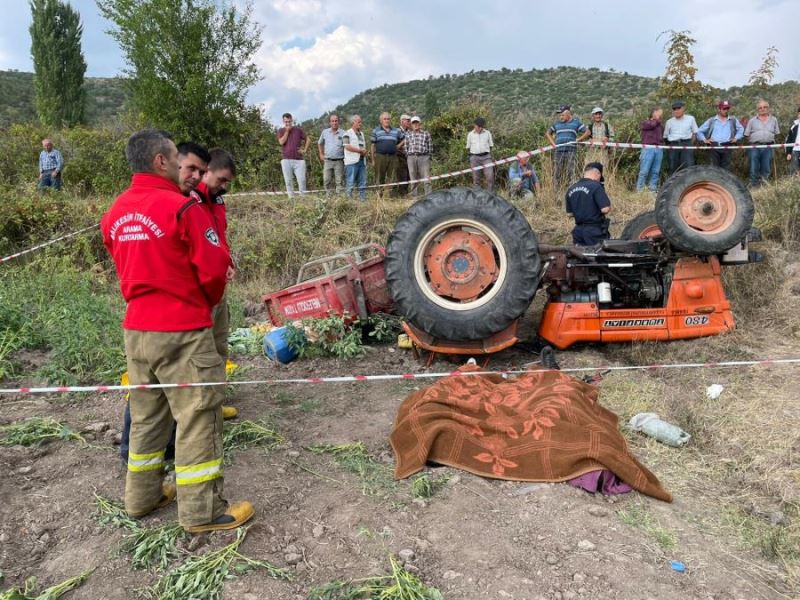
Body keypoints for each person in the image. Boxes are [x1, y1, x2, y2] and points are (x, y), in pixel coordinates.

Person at [101, 129, 253, 533]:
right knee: (198, 416)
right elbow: (213, 269)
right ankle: (202, 512)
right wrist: (201, 303)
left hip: (137, 330)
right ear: (159, 161)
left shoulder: (115, 212)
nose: (183, 165)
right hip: (182, 327)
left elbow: (118, 257)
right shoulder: (182, 209)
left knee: (149, 416)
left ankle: (142, 498)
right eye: (174, 156)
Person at [120, 144, 239, 469]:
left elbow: (215, 242)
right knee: (171, 397)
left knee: (214, 353)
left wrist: (224, 265)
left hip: (199, 298)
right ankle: (147, 452)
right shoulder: (183, 202)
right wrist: (204, 292)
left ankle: (144, 485)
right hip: (184, 305)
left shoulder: (213, 201)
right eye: (218, 178)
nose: (219, 184)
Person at [565, 162, 612, 246]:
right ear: (598, 174)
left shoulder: (571, 188)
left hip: (578, 232)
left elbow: (569, 214)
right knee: (600, 257)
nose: (599, 180)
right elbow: (605, 209)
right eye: (600, 177)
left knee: (581, 257)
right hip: (594, 231)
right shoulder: (596, 186)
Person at [546, 105, 589, 190]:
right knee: (557, 172)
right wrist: (553, 143)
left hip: (571, 151)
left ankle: (572, 190)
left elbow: (587, 132)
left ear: (568, 114)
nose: (560, 117)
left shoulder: (576, 123)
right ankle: (556, 191)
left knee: (571, 171)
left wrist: (579, 139)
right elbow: (547, 133)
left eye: (562, 115)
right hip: (558, 151)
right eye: (560, 115)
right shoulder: (556, 124)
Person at [696, 100, 744, 170]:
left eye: (727, 108)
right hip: (713, 146)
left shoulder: (733, 120)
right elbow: (699, 131)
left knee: (726, 169)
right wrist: (704, 140)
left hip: (727, 146)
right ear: (719, 109)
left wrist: (736, 138)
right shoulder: (711, 120)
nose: (726, 110)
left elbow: (741, 129)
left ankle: (725, 181)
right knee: (713, 169)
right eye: (724, 109)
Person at [744, 100, 780, 187]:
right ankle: (754, 185)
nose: (762, 109)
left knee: (766, 167)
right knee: (753, 166)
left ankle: (764, 185)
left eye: (764, 107)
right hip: (754, 146)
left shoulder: (774, 120)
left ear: (768, 108)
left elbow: (777, 133)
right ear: (757, 109)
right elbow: (746, 134)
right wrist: (755, 140)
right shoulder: (752, 121)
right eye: (760, 108)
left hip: (768, 146)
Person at [370, 112, 405, 194]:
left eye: (388, 119)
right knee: (379, 177)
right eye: (385, 119)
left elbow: (405, 138)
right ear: (381, 120)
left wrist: (398, 145)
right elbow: (372, 146)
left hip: (393, 157)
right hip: (380, 156)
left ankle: (389, 195)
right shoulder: (376, 131)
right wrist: (373, 160)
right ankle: (379, 196)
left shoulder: (396, 131)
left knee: (391, 177)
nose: (387, 120)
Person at [277, 112, 309, 197]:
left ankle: (303, 199)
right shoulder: (281, 130)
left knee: (302, 180)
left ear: (292, 120)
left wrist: (304, 150)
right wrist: (287, 131)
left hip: (299, 160)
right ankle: (291, 200)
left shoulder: (298, 130)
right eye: (286, 122)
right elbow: (281, 142)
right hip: (286, 159)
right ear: (283, 121)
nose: (288, 123)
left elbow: (308, 139)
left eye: (289, 121)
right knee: (288, 181)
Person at [663, 101, 698, 175]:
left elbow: (695, 132)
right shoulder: (669, 122)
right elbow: (665, 136)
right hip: (673, 145)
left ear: (683, 109)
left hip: (687, 143)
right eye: (674, 109)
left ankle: (688, 185)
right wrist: (670, 146)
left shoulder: (690, 119)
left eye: (678, 108)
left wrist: (690, 144)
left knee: (688, 166)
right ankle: (672, 185)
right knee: (672, 166)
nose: (676, 111)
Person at [404, 115, 433, 198]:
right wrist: (409, 157)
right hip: (411, 157)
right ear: (411, 125)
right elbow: (406, 147)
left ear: (420, 124)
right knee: (413, 178)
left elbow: (430, 146)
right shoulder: (408, 134)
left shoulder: (426, 134)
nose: (415, 125)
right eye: (414, 123)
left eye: (417, 123)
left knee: (426, 178)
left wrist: (428, 157)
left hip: (424, 157)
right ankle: (414, 197)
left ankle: (429, 196)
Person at [637, 107, 664, 192]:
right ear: (653, 113)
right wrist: (657, 119)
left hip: (659, 149)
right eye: (658, 112)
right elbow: (652, 125)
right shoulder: (646, 122)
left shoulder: (660, 125)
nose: (660, 114)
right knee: (644, 171)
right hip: (648, 149)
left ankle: (652, 191)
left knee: (656, 172)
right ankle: (639, 191)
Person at [317, 114, 345, 195]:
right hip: (327, 160)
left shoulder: (343, 133)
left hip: (339, 161)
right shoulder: (325, 132)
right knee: (326, 180)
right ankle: (328, 198)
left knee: (339, 181)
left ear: (338, 122)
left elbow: (347, 146)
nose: (334, 122)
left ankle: (339, 200)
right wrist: (321, 154)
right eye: (332, 121)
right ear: (330, 122)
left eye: (336, 121)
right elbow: (320, 143)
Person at [466, 117, 495, 191]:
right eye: (478, 126)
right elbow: (468, 147)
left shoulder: (487, 133)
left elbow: (491, 145)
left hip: (486, 157)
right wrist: (471, 157)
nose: (479, 128)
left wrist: (489, 155)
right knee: (476, 178)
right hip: (474, 157)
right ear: (474, 125)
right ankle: (477, 194)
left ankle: (490, 193)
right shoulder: (470, 135)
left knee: (490, 176)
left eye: (481, 126)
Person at [343, 114, 368, 200]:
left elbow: (362, 146)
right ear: (353, 122)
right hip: (351, 162)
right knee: (350, 182)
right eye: (359, 122)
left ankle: (362, 200)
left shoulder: (362, 134)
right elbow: (347, 146)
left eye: (361, 122)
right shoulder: (347, 133)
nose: (360, 123)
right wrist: (360, 151)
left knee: (362, 182)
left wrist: (364, 152)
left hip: (362, 161)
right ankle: (349, 201)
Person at [396, 114, 412, 196]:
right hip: (400, 158)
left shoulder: (409, 132)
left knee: (409, 177)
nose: (409, 122)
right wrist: (405, 140)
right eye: (408, 120)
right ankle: (402, 196)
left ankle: (405, 194)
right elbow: (395, 147)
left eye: (410, 120)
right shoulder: (397, 131)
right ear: (402, 121)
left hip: (409, 157)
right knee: (403, 177)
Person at [786, 107, 800, 176]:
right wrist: (789, 152)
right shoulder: (794, 126)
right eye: (799, 113)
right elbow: (789, 140)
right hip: (795, 150)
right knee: (794, 171)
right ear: (798, 114)